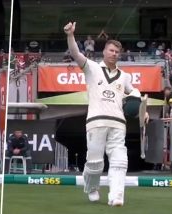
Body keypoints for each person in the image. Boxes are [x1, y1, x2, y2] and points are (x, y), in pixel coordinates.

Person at [64, 22, 142, 206]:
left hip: (118, 123)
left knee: (120, 160)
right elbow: (76, 54)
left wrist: (141, 109)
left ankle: (116, 196)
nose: (114, 54)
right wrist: (70, 35)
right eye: (111, 50)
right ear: (105, 51)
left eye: (117, 52)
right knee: (95, 162)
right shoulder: (92, 68)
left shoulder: (124, 76)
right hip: (96, 121)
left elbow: (134, 93)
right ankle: (91, 188)